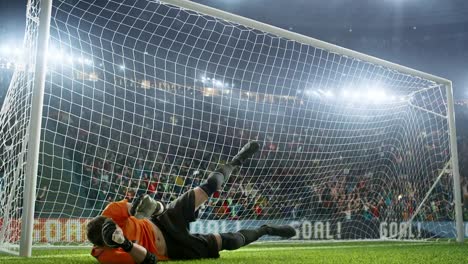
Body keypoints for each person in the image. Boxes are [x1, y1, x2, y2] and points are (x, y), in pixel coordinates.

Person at [87, 141, 296, 264]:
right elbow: (149, 260)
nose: (117, 229)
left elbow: (142, 208)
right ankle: (266, 229)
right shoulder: (107, 255)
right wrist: (124, 242)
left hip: (164, 218)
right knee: (229, 242)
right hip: (174, 249)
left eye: (114, 227)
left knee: (210, 186)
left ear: (109, 220)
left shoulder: (111, 212)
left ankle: (236, 160)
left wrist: (151, 208)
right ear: (102, 245)